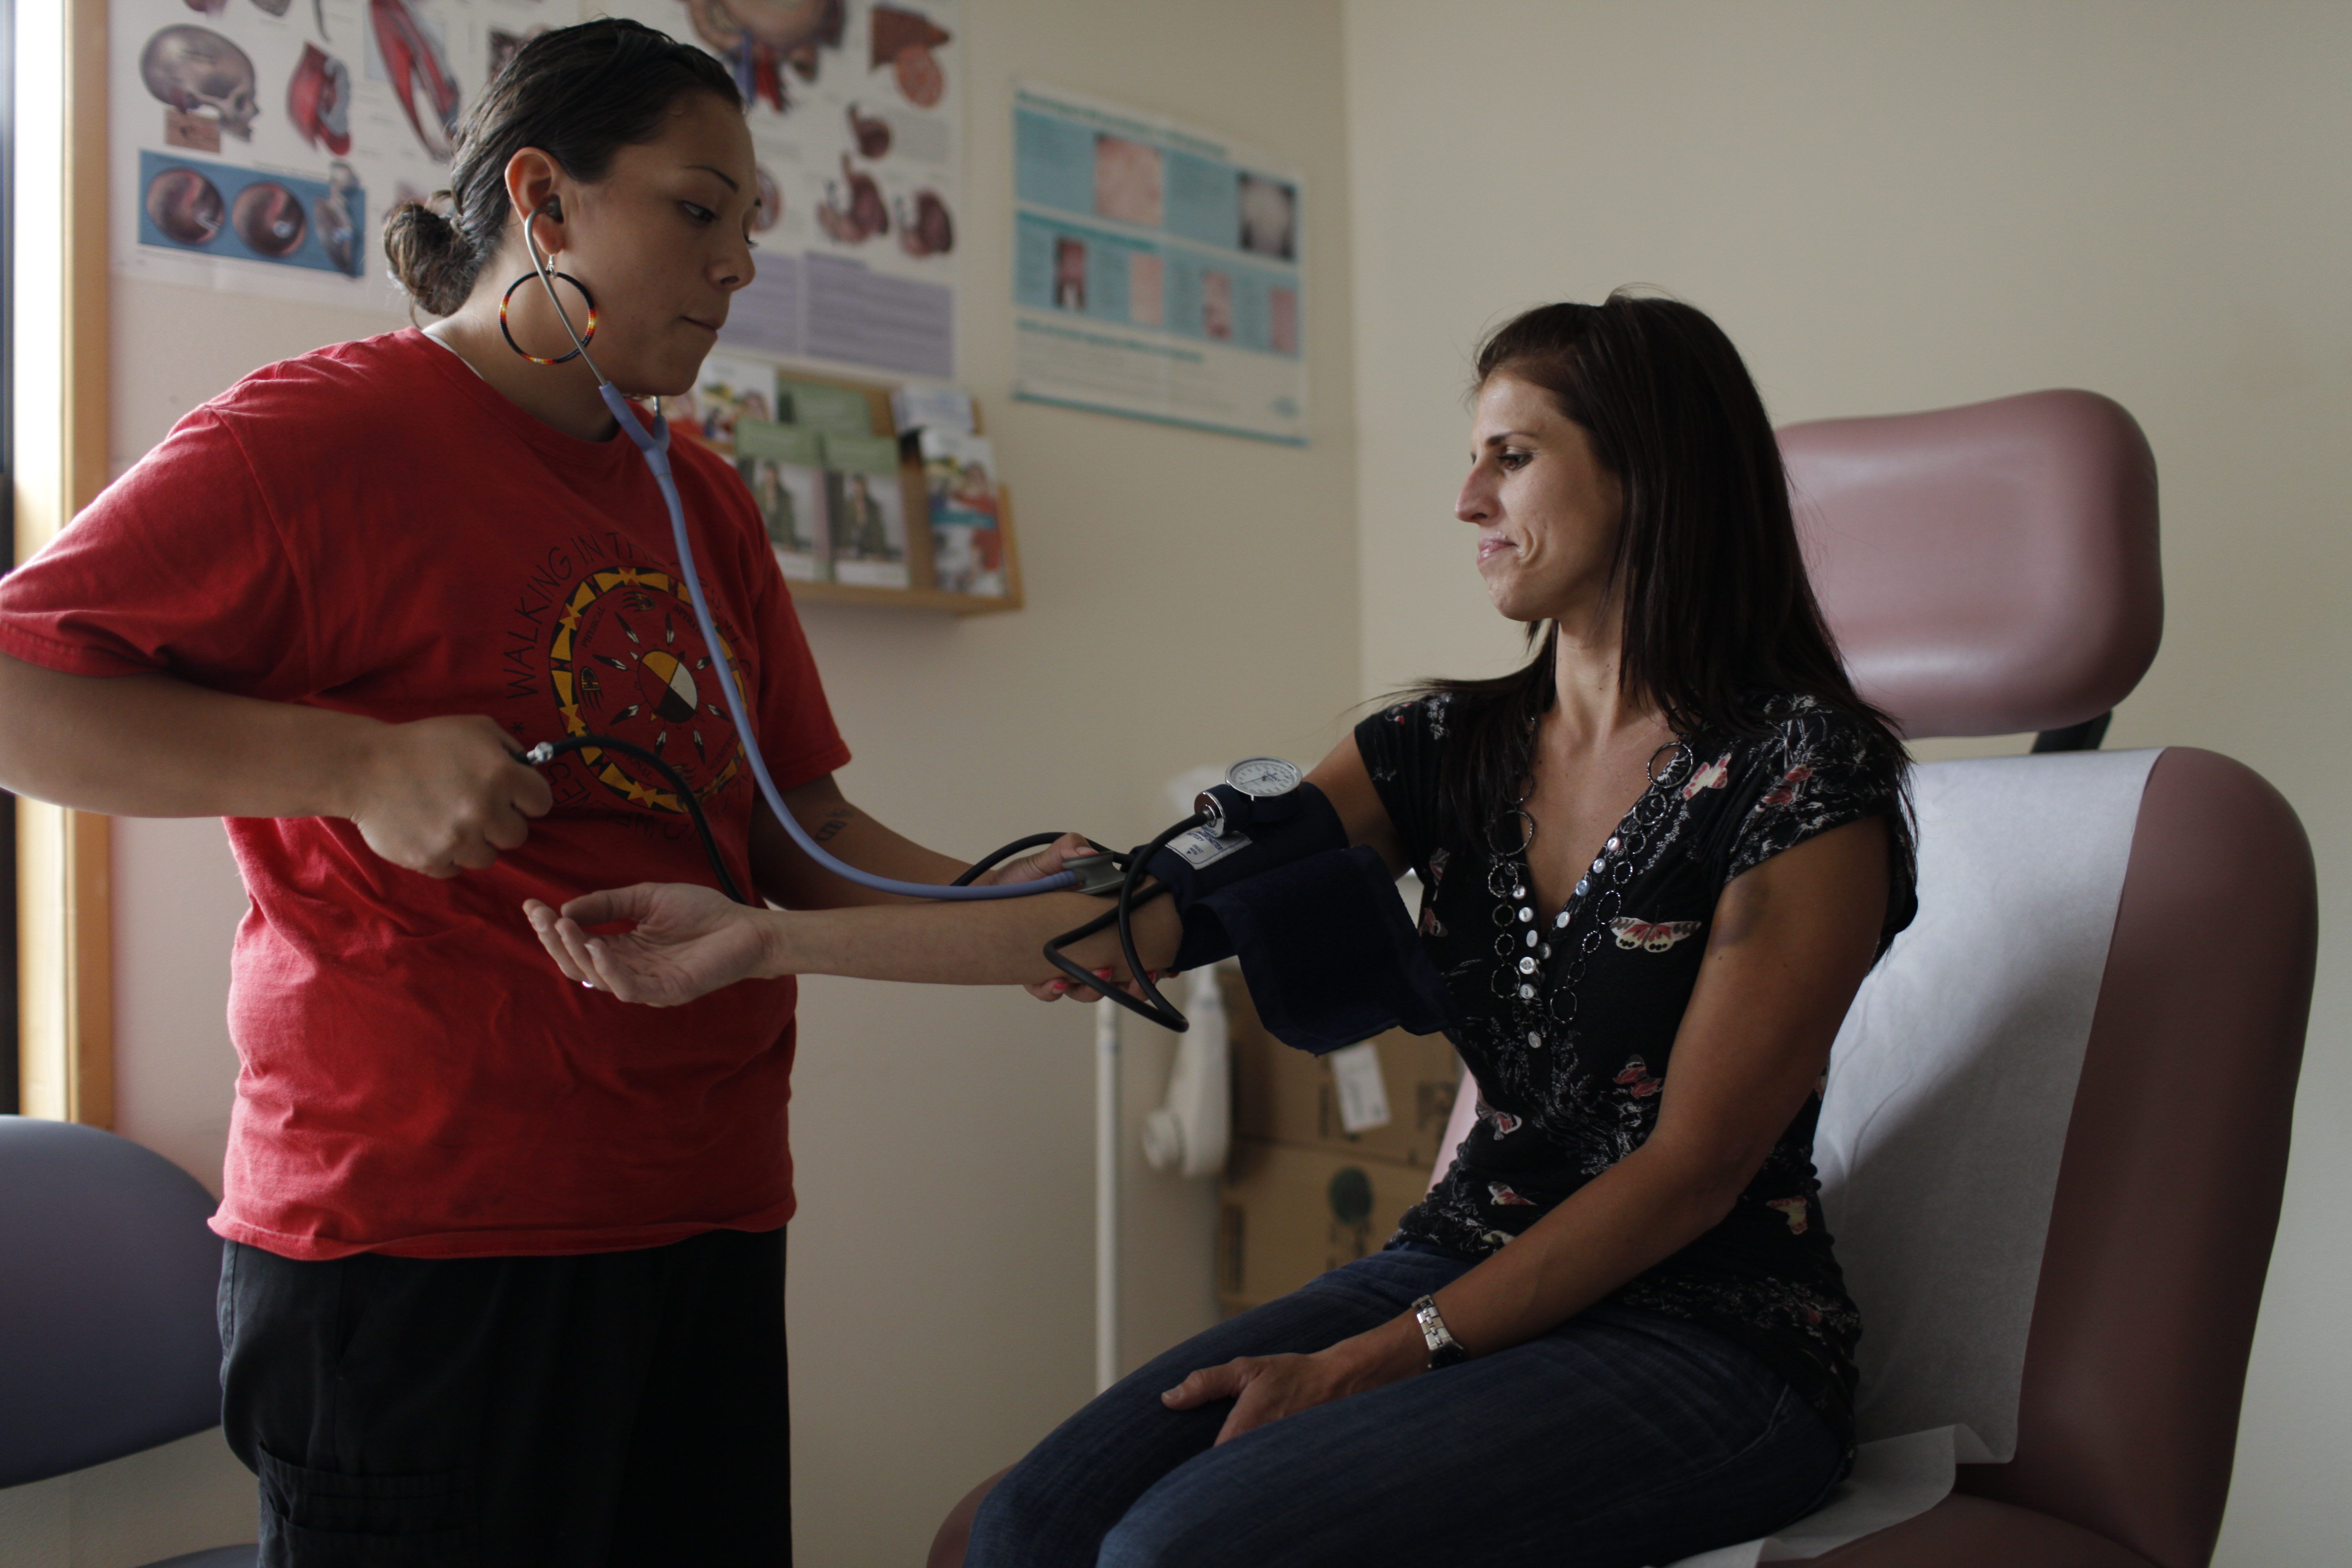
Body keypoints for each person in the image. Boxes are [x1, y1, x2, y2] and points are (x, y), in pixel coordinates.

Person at [527, 292, 1919, 1568]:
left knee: (1178, 1553)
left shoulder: (1806, 776)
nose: (1464, 499)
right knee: (1022, 1530)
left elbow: (1690, 1173)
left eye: (1512, 457)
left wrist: (1385, 1355)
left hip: (1708, 1339)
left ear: (1650, 474)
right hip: (1464, 1258)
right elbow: (1117, 922)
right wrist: (764, 938)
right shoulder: (1439, 748)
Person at [0, 20, 1081, 1565]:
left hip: (703, 1211)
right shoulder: (318, 442)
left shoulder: (697, 492)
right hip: (422, 1249)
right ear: (544, 200)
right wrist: (353, 765)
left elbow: (798, 831)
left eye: (751, 229)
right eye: (698, 211)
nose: (736, 269)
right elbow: (15, 695)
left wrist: (1009, 904)